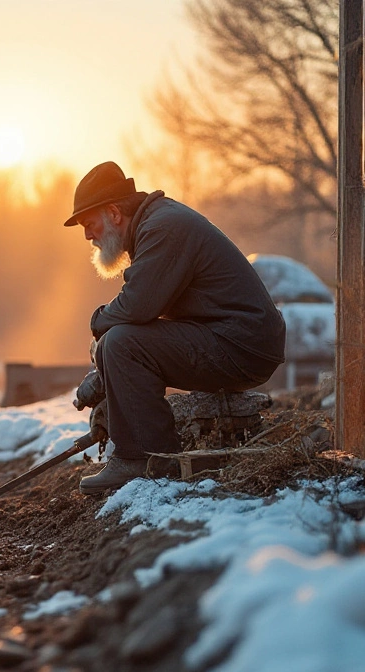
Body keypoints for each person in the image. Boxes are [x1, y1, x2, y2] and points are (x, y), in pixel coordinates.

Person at [66, 162, 286, 494]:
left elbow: (136, 306)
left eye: (89, 223)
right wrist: (105, 373)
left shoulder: (163, 228)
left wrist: (97, 326)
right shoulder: (157, 224)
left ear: (113, 213)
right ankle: (143, 452)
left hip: (240, 345)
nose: (87, 235)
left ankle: (144, 459)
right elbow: (147, 314)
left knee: (121, 342)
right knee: (119, 341)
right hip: (235, 340)